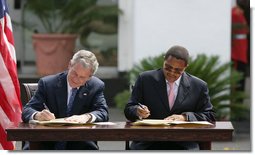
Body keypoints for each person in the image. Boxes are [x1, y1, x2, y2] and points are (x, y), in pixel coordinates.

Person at [124, 45, 216, 150]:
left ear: (186, 67)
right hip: (148, 142)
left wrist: (185, 117)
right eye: (168, 67)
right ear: (164, 60)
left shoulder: (199, 86)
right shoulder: (145, 79)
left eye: (178, 70)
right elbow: (129, 109)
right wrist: (137, 111)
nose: (171, 73)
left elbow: (210, 115)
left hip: (184, 143)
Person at [22, 50, 109, 150]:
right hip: (46, 143)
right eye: (74, 73)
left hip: (80, 144)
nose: (76, 79)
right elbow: (27, 110)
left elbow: (103, 112)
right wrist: (38, 115)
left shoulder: (96, 86)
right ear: (69, 65)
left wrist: (87, 117)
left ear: (89, 77)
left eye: (82, 77)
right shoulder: (48, 84)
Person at [231, 0, 249, 92]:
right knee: (238, 78)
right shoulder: (235, 14)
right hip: (238, 52)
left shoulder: (238, 13)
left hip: (242, 50)